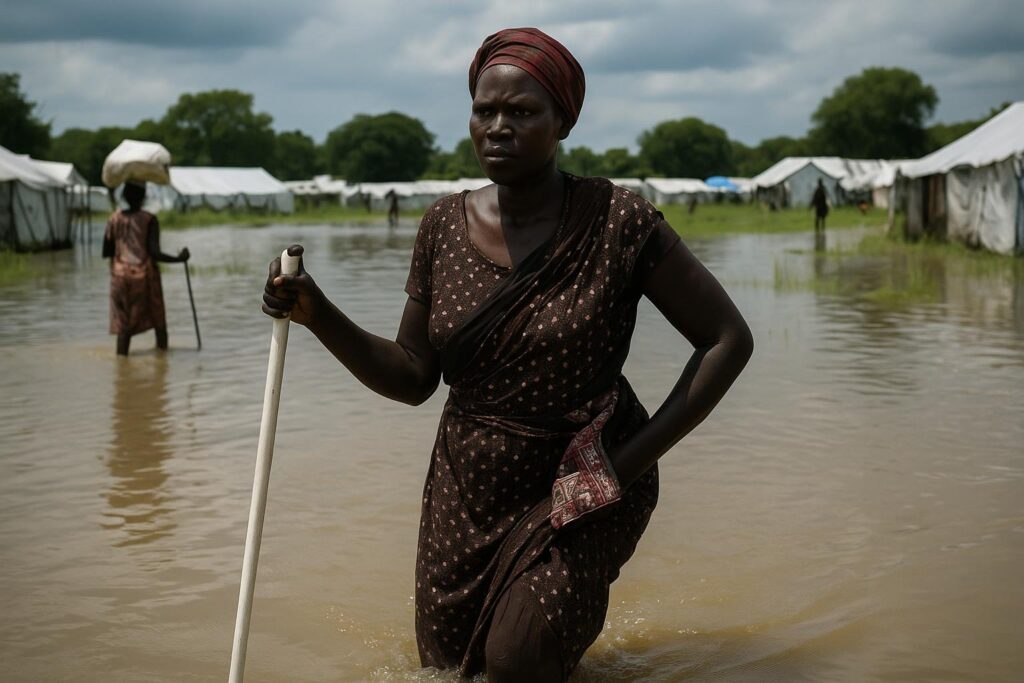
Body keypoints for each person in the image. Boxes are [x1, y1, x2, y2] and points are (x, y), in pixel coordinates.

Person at [262, 27, 753, 682]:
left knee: (516, 658)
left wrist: (621, 469)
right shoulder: (442, 226)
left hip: (580, 481)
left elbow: (726, 339)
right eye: (484, 110)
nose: (498, 126)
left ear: (562, 122)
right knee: (446, 668)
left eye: (521, 113)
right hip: (468, 486)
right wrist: (316, 312)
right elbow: (413, 376)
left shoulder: (617, 222)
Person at [103, 181, 189, 356]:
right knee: (159, 324)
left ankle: (122, 367)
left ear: (124, 196)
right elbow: (154, 253)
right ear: (143, 197)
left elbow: (107, 251)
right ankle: (162, 365)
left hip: (119, 277)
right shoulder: (149, 219)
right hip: (144, 276)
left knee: (123, 327)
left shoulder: (114, 219)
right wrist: (180, 259)